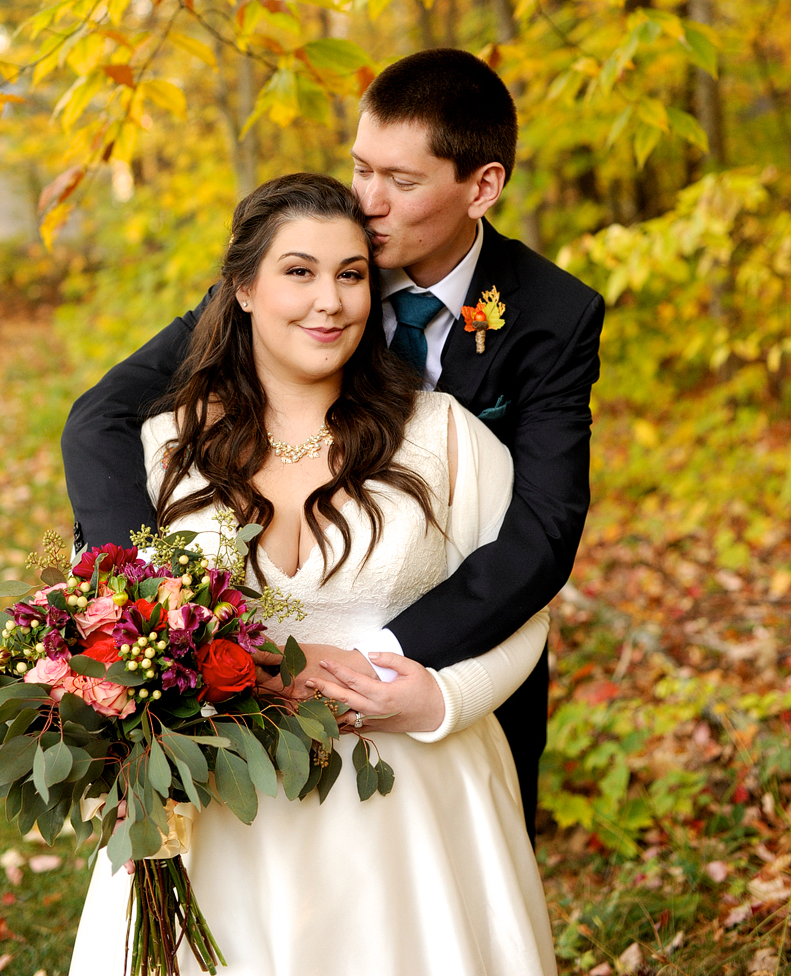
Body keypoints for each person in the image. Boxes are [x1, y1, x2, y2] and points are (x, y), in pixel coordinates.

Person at [62, 48, 604, 838]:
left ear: (481, 186)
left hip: (460, 648)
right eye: (361, 167)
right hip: (261, 674)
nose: (368, 201)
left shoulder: (553, 315)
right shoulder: (309, 266)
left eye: (402, 182)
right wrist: (142, 607)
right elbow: (100, 417)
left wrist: (381, 664)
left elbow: (543, 530)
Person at [69, 174, 557, 976]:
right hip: (219, 803)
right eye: (299, 271)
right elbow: (121, 623)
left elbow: (521, 604)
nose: (330, 301)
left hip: (413, 811)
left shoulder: (444, 437)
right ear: (243, 287)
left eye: (352, 273)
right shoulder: (162, 448)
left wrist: (441, 698)